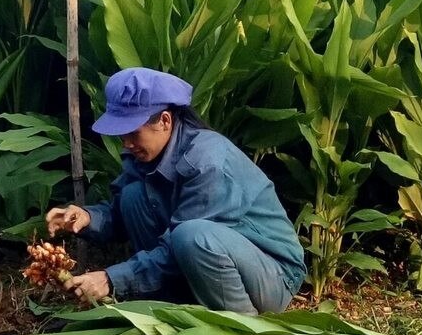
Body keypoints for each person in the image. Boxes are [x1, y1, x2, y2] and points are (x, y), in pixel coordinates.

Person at [46, 67, 306, 313]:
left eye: (132, 133)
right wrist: (87, 217)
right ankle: (170, 303)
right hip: (208, 260)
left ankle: (239, 327)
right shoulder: (145, 155)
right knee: (133, 196)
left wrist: (111, 279)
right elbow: (120, 215)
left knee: (192, 235)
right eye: (121, 135)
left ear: (165, 121)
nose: (126, 144)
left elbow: (181, 243)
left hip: (274, 275)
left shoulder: (207, 161)